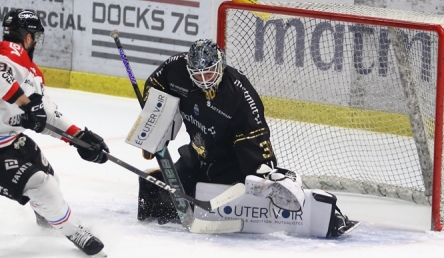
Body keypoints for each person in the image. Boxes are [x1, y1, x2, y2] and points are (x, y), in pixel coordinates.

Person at [136, 39, 354, 235]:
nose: (204, 81)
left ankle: (293, 190)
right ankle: (168, 177)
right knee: (159, 197)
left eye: (209, 73)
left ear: (220, 66)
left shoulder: (238, 92)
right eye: (198, 75)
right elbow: (156, 84)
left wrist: (261, 170)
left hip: (230, 163)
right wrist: (153, 126)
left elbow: (254, 135)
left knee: (250, 182)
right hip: (198, 154)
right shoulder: (176, 68)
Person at [0, 9, 109, 256]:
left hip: (12, 141)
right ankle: (73, 231)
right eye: (35, 36)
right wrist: (27, 105)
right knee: (41, 184)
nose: (35, 42)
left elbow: (46, 114)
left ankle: (49, 222)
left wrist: (79, 138)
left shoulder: (32, 72)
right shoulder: (7, 50)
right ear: (27, 37)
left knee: (51, 182)